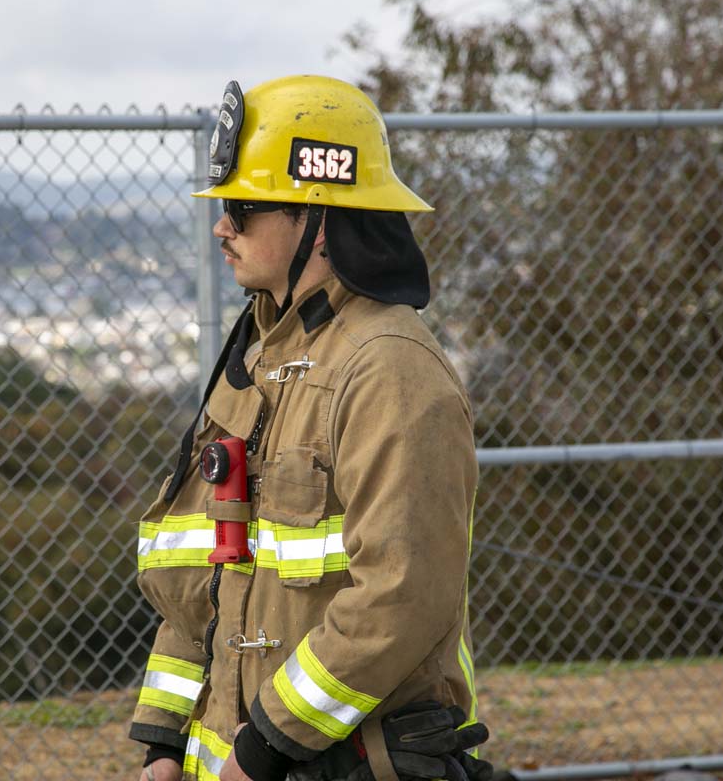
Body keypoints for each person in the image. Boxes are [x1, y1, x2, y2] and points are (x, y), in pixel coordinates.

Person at [129, 75, 490, 781]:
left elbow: (400, 594)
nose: (221, 225)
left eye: (244, 205)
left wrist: (265, 746)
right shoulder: (260, 361)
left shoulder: (390, 369)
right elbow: (200, 573)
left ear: (320, 219)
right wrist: (164, 744)